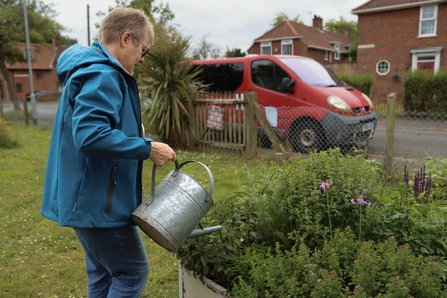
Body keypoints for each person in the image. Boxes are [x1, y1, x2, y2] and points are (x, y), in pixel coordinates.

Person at [40, 7, 176, 297]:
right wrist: (146, 149)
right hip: (97, 201)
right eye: (144, 50)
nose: (142, 58)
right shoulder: (104, 74)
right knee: (132, 272)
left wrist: (144, 142)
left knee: (103, 273)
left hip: (89, 199)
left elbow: (104, 128)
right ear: (126, 38)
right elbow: (90, 136)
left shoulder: (92, 69)